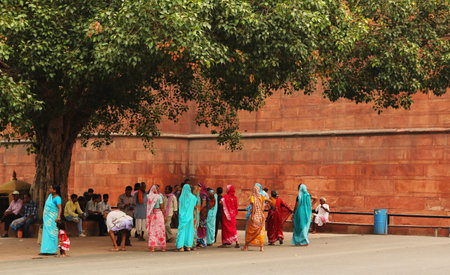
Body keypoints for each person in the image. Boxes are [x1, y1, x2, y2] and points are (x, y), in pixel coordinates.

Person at [242, 184, 267, 252]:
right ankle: (261, 247)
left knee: (250, 231)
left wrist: (252, 216)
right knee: (260, 231)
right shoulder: (262, 196)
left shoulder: (253, 197)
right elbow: (268, 201)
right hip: (261, 216)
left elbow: (253, 207)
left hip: (254, 215)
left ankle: (246, 246)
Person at [40, 184, 62, 255]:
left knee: (53, 233)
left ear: (55, 190)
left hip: (53, 219)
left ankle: (52, 250)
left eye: (51, 188)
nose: (50, 189)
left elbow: (60, 208)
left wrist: (58, 217)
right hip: (47, 219)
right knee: (46, 233)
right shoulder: (50, 197)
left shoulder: (57, 198)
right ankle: (45, 250)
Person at [176, 184, 197, 252]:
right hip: (190, 217)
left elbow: (179, 207)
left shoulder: (181, 197)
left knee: (182, 231)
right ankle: (188, 246)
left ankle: (181, 246)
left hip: (182, 217)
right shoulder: (193, 198)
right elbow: (195, 206)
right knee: (189, 231)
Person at [146, 185, 166, 252]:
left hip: (151, 215)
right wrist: (165, 216)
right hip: (158, 215)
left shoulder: (148, 197)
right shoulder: (159, 197)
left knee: (152, 231)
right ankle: (163, 247)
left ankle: (152, 247)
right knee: (160, 230)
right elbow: (162, 208)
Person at [192, 183, 201, 250]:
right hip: (197, 215)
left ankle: (192, 243)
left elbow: (194, 206)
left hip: (194, 215)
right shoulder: (198, 197)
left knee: (193, 229)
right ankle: (193, 243)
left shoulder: (194, 197)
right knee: (195, 229)